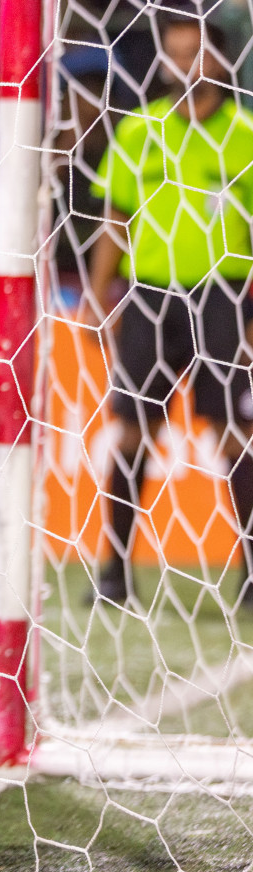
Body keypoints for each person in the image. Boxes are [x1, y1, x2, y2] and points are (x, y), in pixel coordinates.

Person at [80, 14, 253, 607]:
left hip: (224, 298)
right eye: (176, 53)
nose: (187, 63)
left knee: (235, 433)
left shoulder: (244, 134)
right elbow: (114, 221)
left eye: (196, 52)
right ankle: (114, 574)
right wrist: (97, 299)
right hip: (149, 297)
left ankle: (251, 574)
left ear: (221, 61)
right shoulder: (138, 131)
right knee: (132, 432)